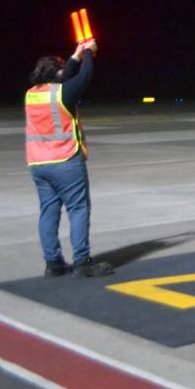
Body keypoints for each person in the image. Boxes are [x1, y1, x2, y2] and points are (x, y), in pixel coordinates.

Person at [25, 39, 114, 278]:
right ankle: (82, 262)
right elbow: (84, 77)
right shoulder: (62, 93)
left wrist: (76, 56)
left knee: (48, 212)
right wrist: (89, 53)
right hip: (64, 160)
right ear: (57, 73)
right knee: (78, 209)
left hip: (38, 164)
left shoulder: (32, 95)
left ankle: (53, 264)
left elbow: (66, 77)